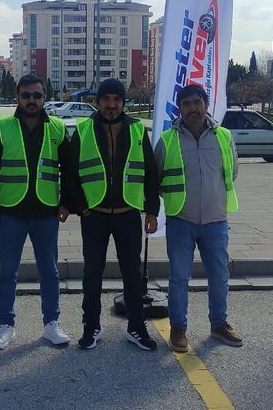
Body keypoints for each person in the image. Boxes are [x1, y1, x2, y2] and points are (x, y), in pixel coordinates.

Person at [67, 78, 159, 351]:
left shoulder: (137, 130)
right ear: (97, 102)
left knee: (132, 274)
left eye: (116, 99)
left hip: (128, 213)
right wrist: (80, 206)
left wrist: (151, 210)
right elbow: (70, 174)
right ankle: (91, 326)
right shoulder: (83, 130)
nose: (111, 104)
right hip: (94, 214)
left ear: (123, 102)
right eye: (106, 99)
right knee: (92, 274)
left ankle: (137, 327)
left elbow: (150, 173)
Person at [0, 73, 72, 350]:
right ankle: (6, 325)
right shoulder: (2, 127)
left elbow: (69, 169)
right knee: (7, 271)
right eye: (26, 95)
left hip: (46, 212)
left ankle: (51, 323)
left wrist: (66, 202)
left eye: (37, 95)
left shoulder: (57, 128)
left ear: (44, 97)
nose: (32, 100)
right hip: (11, 212)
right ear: (17, 97)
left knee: (50, 270)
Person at [155, 84, 241, 353]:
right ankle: (178, 328)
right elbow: (156, 178)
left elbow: (232, 171)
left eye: (197, 102)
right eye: (187, 104)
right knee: (179, 277)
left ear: (205, 104)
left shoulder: (224, 137)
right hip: (181, 218)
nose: (193, 108)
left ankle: (219, 324)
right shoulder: (168, 140)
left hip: (215, 220)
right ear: (180, 108)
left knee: (219, 275)